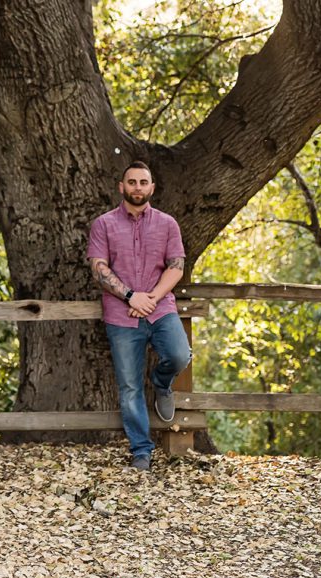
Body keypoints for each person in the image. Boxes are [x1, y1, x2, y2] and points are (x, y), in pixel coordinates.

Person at [87, 161, 191, 471]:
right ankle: (141, 452)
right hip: (121, 315)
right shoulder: (103, 225)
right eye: (131, 182)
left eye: (143, 182)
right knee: (129, 386)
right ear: (121, 187)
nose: (137, 187)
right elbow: (98, 269)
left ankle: (161, 383)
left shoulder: (167, 224)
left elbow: (176, 266)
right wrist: (131, 296)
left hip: (160, 310)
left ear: (152, 188)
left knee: (179, 354)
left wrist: (151, 299)